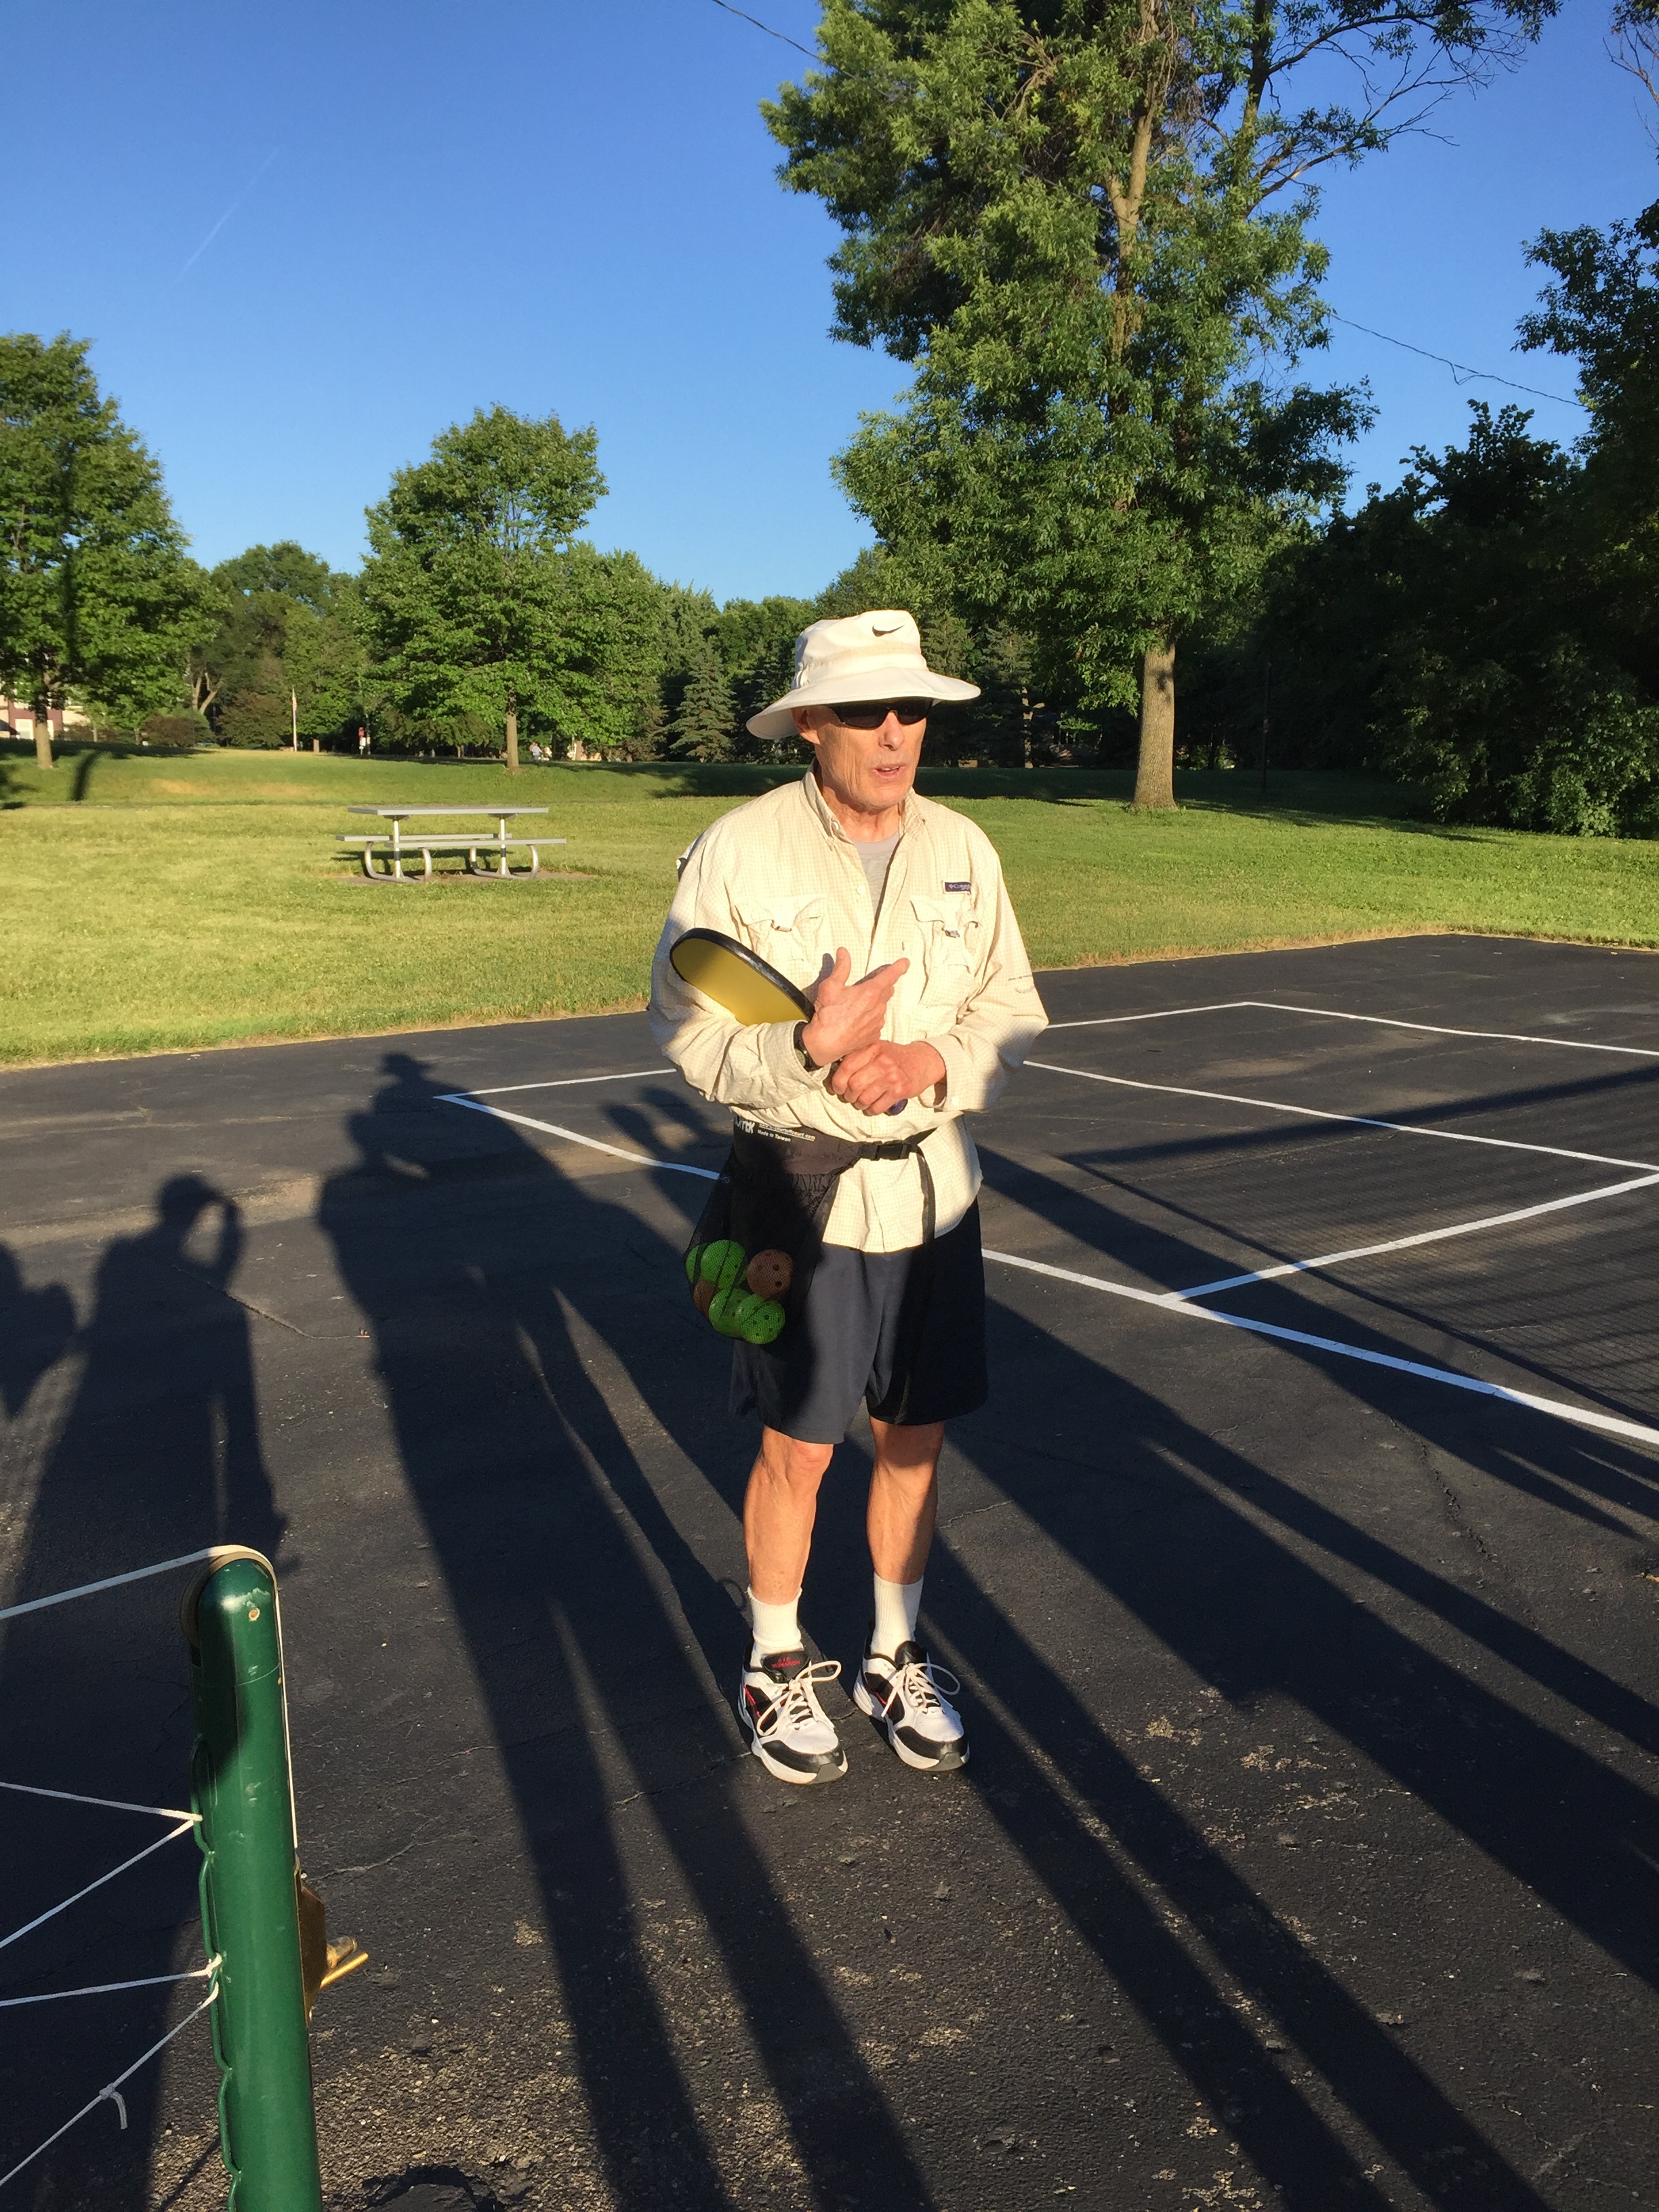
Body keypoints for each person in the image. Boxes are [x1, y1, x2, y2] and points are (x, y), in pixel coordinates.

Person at [649, 609, 1047, 1785]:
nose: (894, 731)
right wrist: (808, 1051)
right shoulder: (739, 850)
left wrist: (931, 1061)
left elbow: (1010, 1005)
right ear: (811, 724)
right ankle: (774, 1663)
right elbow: (687, 1032)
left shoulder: (965, 847)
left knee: (913, 1445)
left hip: (934, 1195)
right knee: (801, 1450)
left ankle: (892, 1655)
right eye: (866, 710)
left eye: (912, 708)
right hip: (803, 1199)